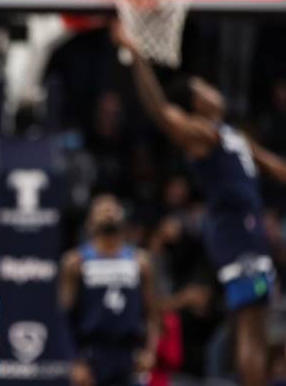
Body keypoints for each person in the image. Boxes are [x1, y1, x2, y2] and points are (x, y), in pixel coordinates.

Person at [113, 22, 286, 386]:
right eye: (203, 88)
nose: (212, 90)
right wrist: (137, 56)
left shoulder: (229, 133)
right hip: (235, 233)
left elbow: (275, 166)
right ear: (196, 103)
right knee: (250, 321)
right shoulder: (201, 134)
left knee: (257, 323)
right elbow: (161, 111)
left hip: (248, 231)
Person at [59, 194, 159, 386]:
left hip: (129, 353)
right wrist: (74, 361)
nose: (109, 214)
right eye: (103, 210)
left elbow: (152, 313)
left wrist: (150, 351)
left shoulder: (140, 261)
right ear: (90, 221)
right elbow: (64, 317)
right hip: (92, 353)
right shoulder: (75, 263)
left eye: (113, 210)